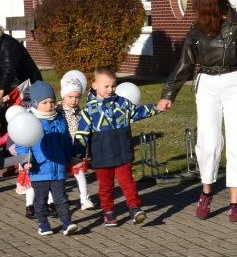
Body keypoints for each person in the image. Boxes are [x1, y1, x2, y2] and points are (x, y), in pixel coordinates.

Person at [158, 0, 237, 222]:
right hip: (207, 84)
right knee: (208, 142)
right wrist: (168, 94)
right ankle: (206, 192)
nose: (194, 8)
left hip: (235, 81)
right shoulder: (196, 31)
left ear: (207, 3)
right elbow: (184, 64)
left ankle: (235, 203)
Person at [76, 67, 162, 227]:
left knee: (128, 182)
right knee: (106, 187)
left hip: (123, 151)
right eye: (106, 86)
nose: (110, 89)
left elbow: (139, 111)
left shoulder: (123, 103)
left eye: (113, 86)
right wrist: (78, 156)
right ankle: (108, 211)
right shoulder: (89, 110)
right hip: (102, 156)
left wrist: (157, 108)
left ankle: (134, 208)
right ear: (94, 85)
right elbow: (81, 134)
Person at [23, 81, 78, 236]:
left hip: (58, 167)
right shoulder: (29, 121)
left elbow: (66, 141)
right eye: (45, 102)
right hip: (38, 169)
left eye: (52, 102)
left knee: (61, 198)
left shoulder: (59, 119)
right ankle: (43, 224)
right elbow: (22, 144)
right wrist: (25, 161)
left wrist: (70, 158)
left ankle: (67, 223)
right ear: (35, 103)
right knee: (40, 200)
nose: (49, 105)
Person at [0, 20, 42, 106]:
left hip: (25, 84)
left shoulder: (9, 45)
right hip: (8, 84)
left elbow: (9, 69)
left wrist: (0, 92)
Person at [60, 70, 95, 212]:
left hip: (78, 148)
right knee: (61, 177)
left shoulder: (81, 112)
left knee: (80, 174)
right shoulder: (58, 111)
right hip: (63, 149)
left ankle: (85, 199)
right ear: (63, 95)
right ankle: (54, 199)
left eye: (77, 97)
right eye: (70, 96)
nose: (74, 100)